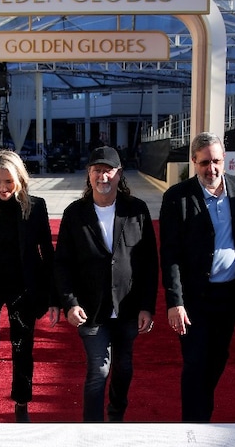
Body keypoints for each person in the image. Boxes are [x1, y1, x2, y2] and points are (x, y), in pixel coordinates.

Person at [54, 146, 158, 422]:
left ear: (119, 174)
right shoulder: (74, 213)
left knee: (123, 368)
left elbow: (149, 263)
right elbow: (62, 263)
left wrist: (148, 306)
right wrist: (70, 303)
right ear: (89, 174)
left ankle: (116, 416)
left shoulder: (137, 210)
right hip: (91, 308)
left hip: (128, 307)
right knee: (98, 370)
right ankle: (92, 429)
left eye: (108, 170)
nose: (103, 176)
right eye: (97, 170)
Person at [159, 132, 235, 422]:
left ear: (224, 160)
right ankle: (193, 424)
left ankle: (202, 411)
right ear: (193, 162)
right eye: (204, 163)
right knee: (195, 362)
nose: (210, 169)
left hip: (228, 297)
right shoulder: (177, 198)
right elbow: (171, 254)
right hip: (194, 299)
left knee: (218, 359)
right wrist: (175, 302)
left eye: (215, 161)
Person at [0, 150, 58, 423]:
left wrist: (53, 298)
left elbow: (47, 255)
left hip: (24, 286)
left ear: (20, 178)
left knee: (22, 344)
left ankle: (21, 404)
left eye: (8, 181)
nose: (2, 188)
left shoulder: (36, 207)